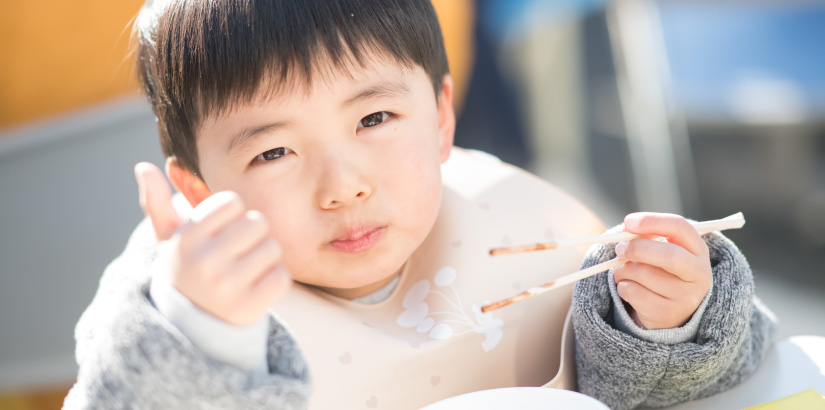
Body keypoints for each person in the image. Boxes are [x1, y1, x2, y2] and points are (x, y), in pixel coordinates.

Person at [63, 0, 776, 409]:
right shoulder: (179, 304)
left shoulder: (514, 213)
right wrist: (202, 337)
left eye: (374, 119)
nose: (343, 185)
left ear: (439, 118)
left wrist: (665, 328)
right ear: (196, 190)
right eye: (272, 152)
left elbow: (723, 381)